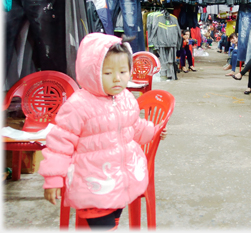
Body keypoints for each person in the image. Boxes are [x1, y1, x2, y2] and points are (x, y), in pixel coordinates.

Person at [38, 33, 167, 230]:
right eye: (107, 73)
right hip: (93, 185)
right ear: (91, 72)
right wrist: (53, 178)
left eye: (123, 72)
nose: (117, 79)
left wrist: (153, 131)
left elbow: (133, 127)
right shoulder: (79, 106)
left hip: (121, 181)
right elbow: (59, 144)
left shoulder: (126, 98)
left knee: (114, 219)